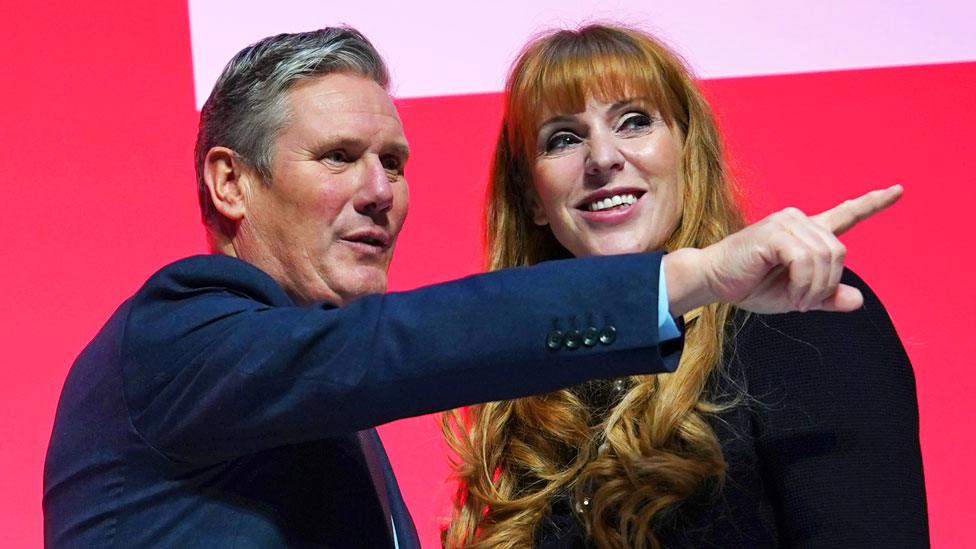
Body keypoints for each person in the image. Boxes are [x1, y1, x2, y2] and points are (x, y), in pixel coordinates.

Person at [43, 26, 903, 549]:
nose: (380, 190)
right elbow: (398, 344)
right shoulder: (180, 338)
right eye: (340, 157)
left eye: (395, 162)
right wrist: (687, 277)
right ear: (231, 182)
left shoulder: (806, 316)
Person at [442, 24, 928, 548]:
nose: (602, 159)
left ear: (686, 152)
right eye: (563, 138)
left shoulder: (797, 314)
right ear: (533, 197)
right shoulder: (524, 374)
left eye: (633, 122)